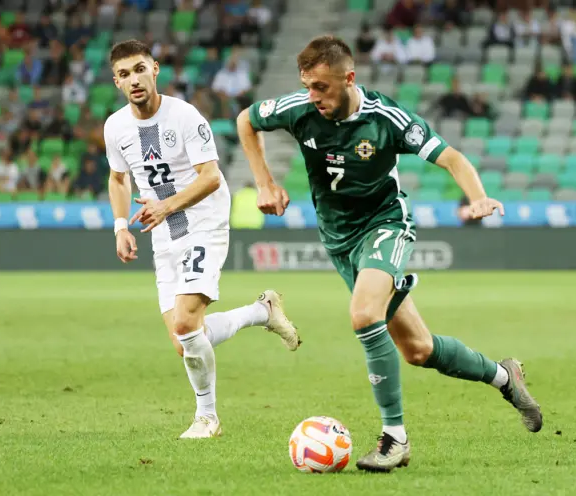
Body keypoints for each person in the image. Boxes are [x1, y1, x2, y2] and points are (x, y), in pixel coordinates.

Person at [236, 35, 542, 473]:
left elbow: (452, 157)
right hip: (339, 240)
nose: (313, 96)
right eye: (308, 86)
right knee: (417, 349)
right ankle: (504, 376)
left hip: (385, 224)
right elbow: (246, 120)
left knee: (363, 314)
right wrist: (264, 182)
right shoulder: (298, 109)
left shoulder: (387, 119)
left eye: (322, 86)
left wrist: (478, 197)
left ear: (349, 78)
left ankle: (394, 439)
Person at [104, 40, 300, 440]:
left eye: (140, 69)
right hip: (163, 233)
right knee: (186, 340)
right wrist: (121, 224)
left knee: (185, 322)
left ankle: (207, 418)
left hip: (203, 223)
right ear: (116, 82)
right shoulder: (115, 127)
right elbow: (118, 178)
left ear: (155, 69)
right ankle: (263, 312)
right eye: (124, 74)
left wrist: (165, 206)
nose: (134, 79)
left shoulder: (185, 116)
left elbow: (211, 177)